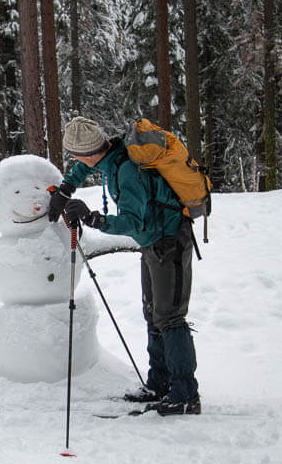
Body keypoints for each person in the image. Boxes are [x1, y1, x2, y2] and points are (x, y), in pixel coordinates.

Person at [47, 116, 201, 416]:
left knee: (170, 316)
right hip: (154, 242)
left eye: (77, 156)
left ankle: (186, 394)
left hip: (169, 240)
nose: (77, 162)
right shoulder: (110, 155)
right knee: (153, 312)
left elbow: (133, 222)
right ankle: (159, 382)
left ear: (90, 152)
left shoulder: (128, 171)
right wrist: (66, 188)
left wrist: (94, 219)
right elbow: (85, 166)